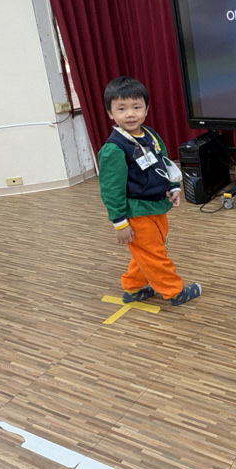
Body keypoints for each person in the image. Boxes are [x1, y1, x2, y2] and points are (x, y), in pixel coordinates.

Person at [97, 76, 201, 306]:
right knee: (154, 254)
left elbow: (163, 162)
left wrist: (173, 186)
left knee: (148, 250)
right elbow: (110, 189)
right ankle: (174, 292)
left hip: (155, 205)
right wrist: (119, 223)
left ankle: (133, 288)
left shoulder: (150, 134)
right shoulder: (114, 149)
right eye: (121, 109)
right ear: (110, 113)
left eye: (136, 107)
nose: (130, 114)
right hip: (135, 212)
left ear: (146, 109)